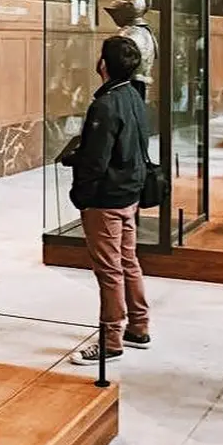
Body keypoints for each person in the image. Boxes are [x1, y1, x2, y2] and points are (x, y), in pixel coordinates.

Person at [66, 35, 152, 365]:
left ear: (103, 64)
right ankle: (139, 327)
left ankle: (111, 340)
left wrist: (82, 196)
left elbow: (97, 160)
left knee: (109, 270)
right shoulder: (133, 95)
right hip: (129, 193)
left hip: (106, 199)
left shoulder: (105, 104)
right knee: (128, 261)